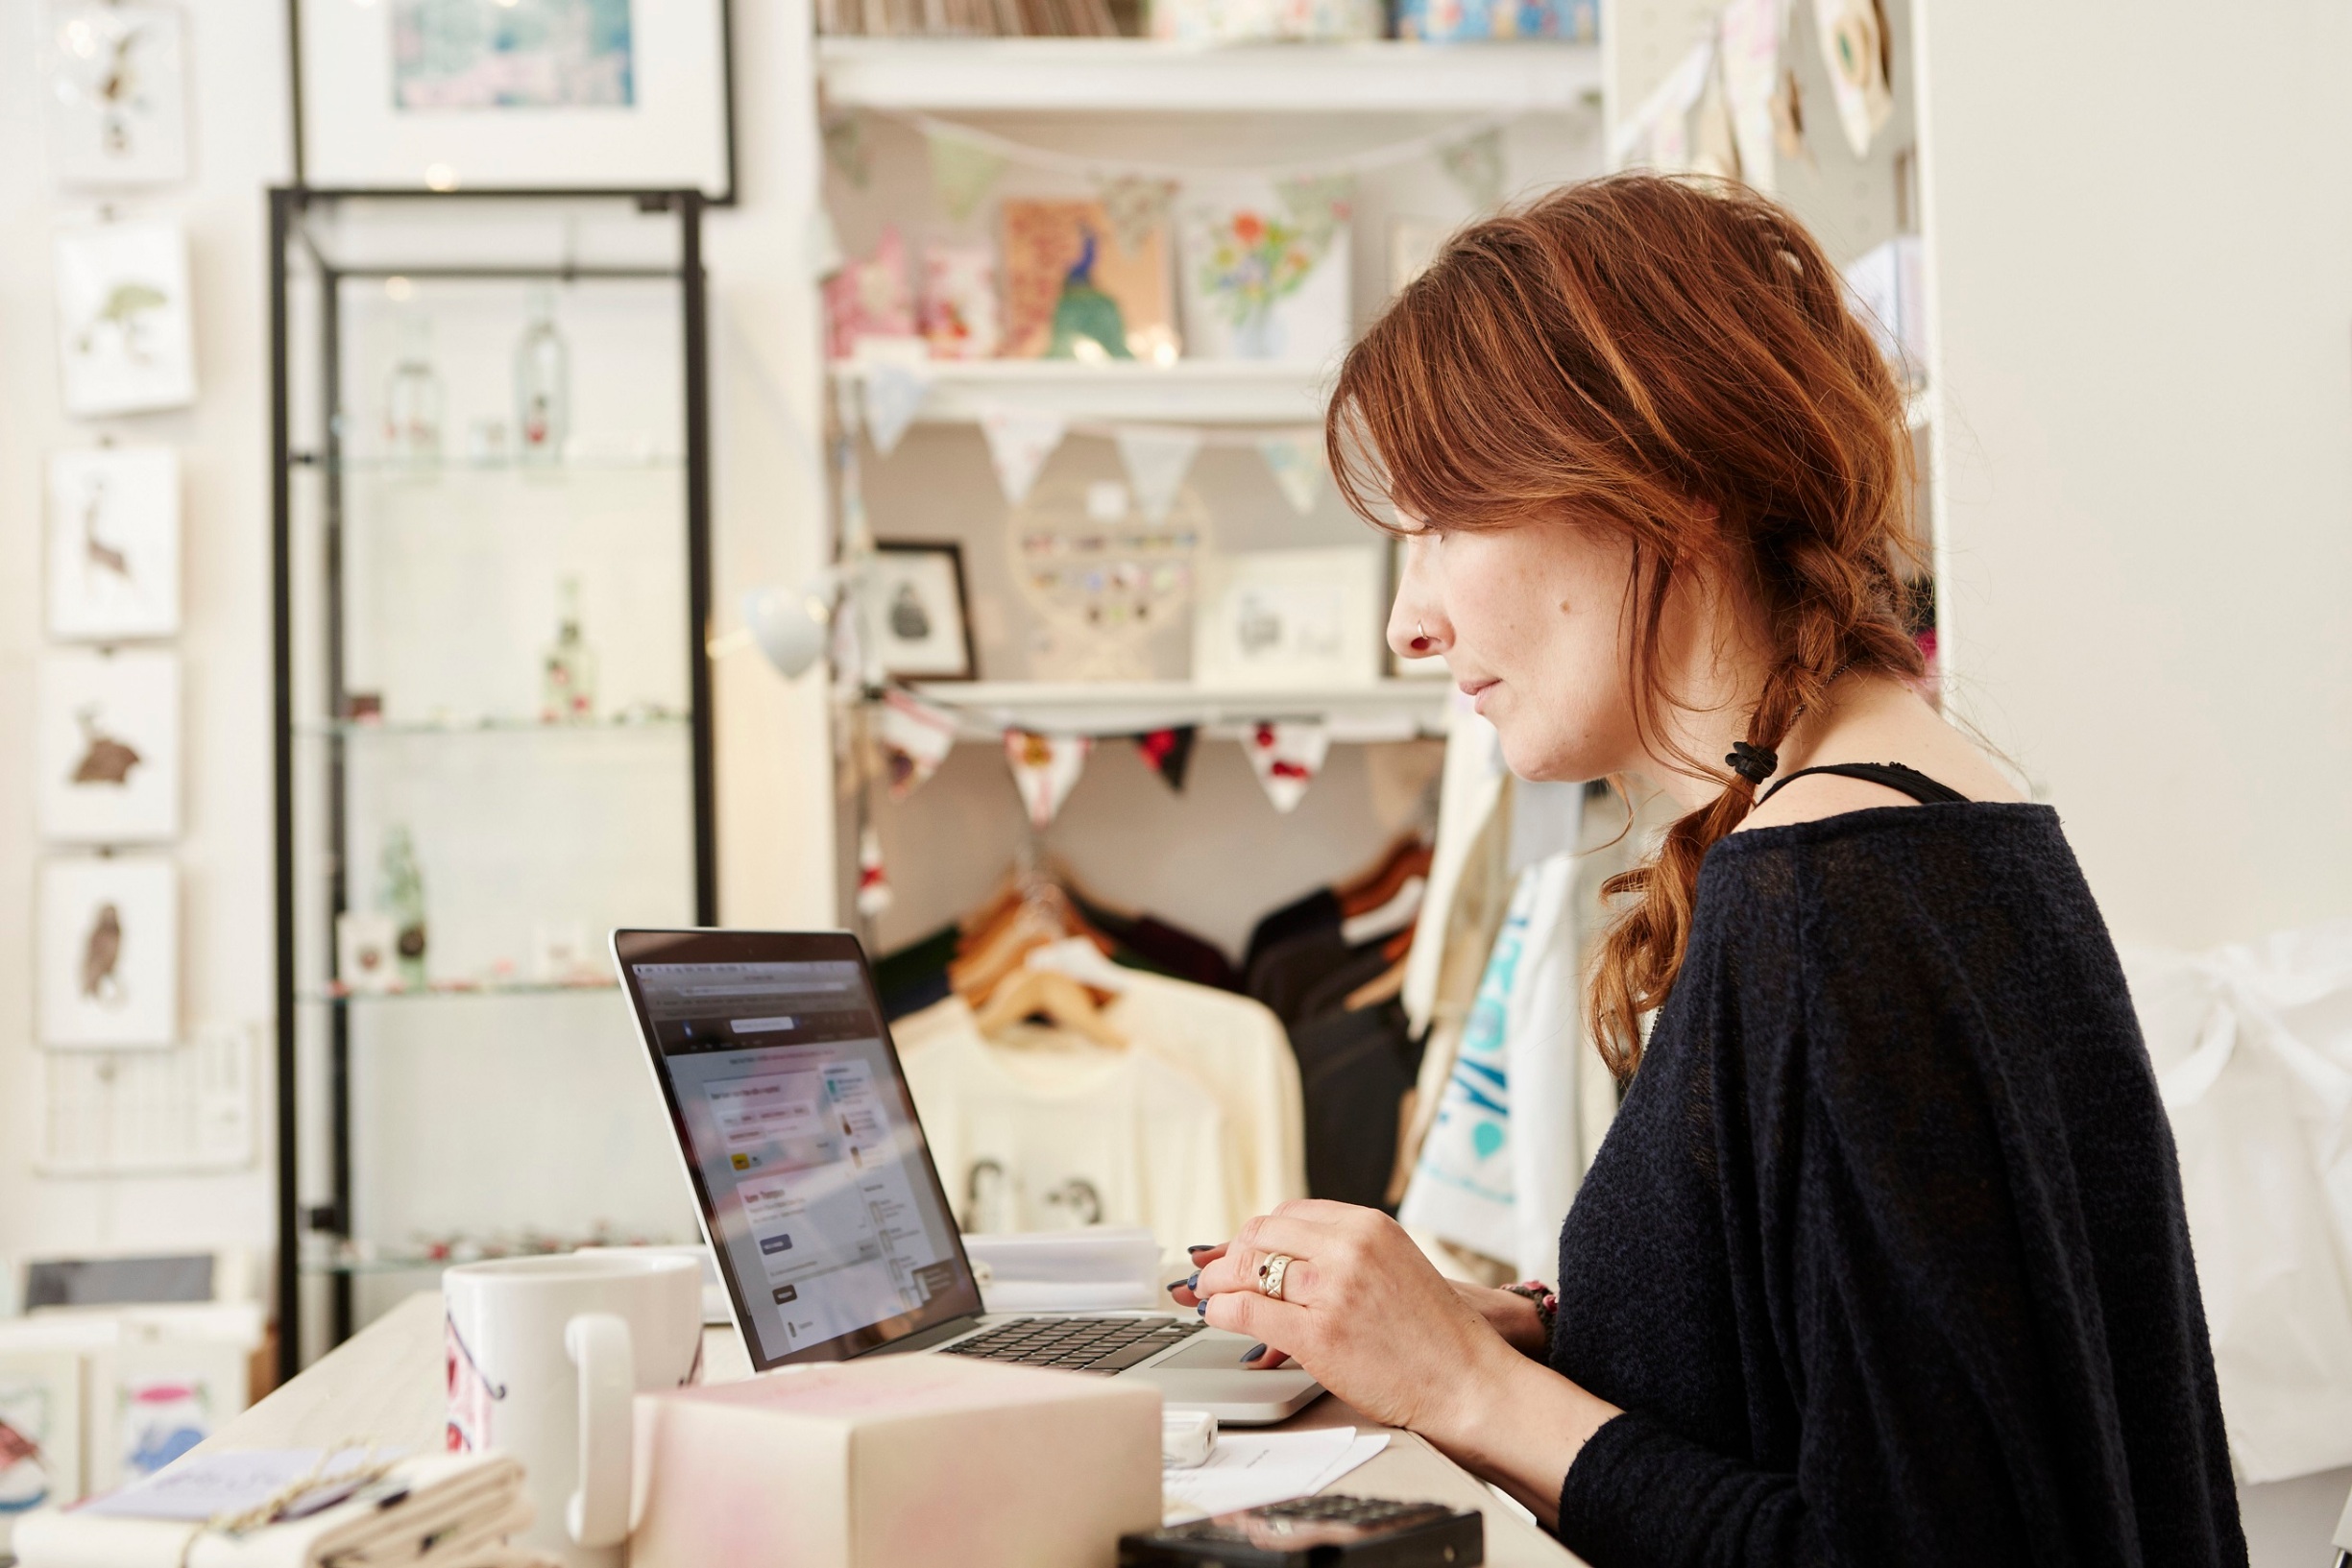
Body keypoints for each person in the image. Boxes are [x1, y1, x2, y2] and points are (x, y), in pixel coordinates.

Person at [1170, 175, 2244, 1567]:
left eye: (1443, 524)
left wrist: (1470, 1390)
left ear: (1659, 496)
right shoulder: (1921, 812)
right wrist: (1548, 1334)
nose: (1408, 621)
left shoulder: (1831, 894)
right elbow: (1865, 1378)